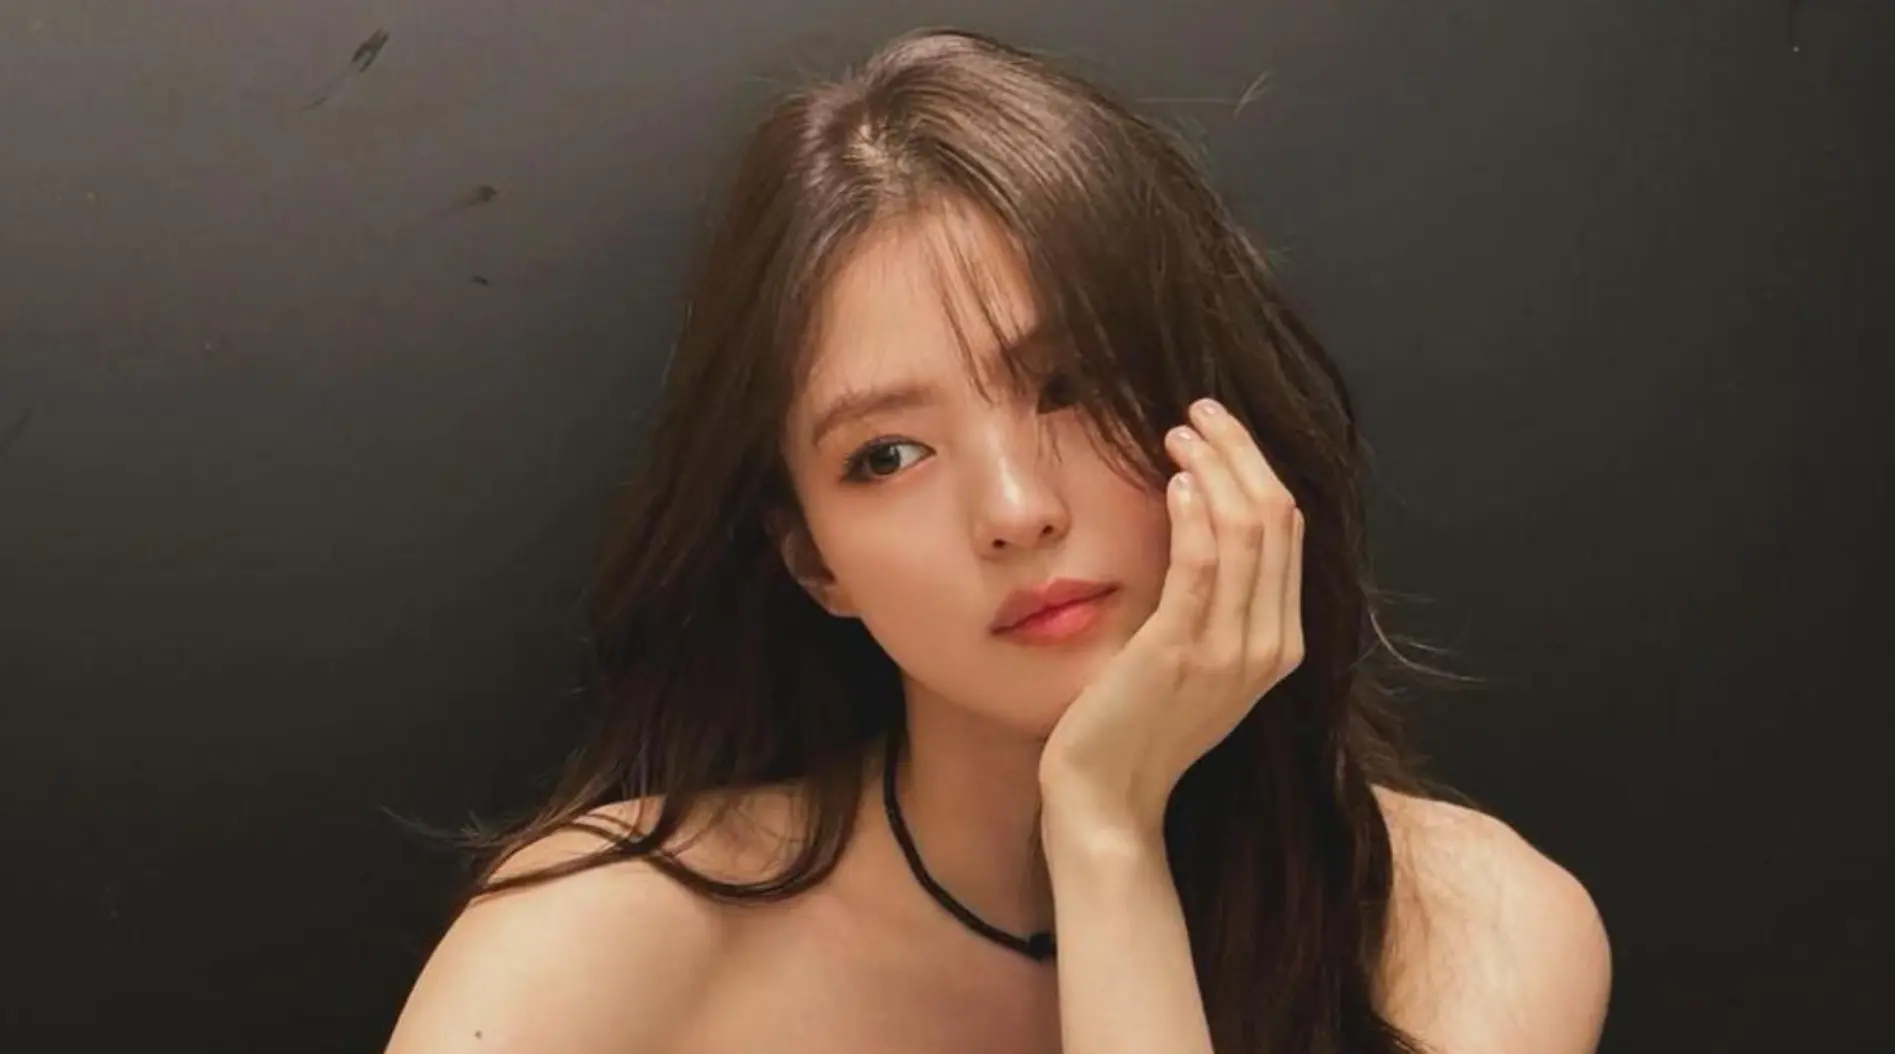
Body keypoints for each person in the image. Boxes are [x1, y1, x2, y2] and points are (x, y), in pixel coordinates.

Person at [385, 26, 1610, 1054]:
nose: (1016, 508)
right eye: (887, 455)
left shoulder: (1469, 930)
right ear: (813, 561)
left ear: (1215, 405)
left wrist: (1105, 834)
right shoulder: (598, 944)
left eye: (1069, 384)